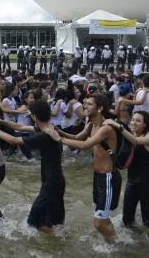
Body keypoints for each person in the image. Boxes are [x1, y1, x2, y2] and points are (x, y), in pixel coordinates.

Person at [50, 93, 121, 241]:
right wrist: (57, 131)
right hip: (98, 176)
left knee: (98, 223)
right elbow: (77, 138)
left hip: (108, 177)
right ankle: (113, 240)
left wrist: (60, 139)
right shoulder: (90, 125)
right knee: (102, 218)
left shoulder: (106, 128)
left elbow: (84, 145)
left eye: (89, 104)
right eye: (85, 103)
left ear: (100, 108)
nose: (85, 106)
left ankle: (117, 247)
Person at [0, 100, 65, 234]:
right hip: (55, 181)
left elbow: (14, 140)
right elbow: (20, 127)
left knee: (33, 221)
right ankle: (60, 244)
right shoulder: (51, 128)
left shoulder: (43, 136)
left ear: (34, 116)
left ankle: (59, 244)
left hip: (51, 184)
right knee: (52, 222)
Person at [114, 111, 149, 228]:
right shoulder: (130, 135)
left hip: (148, 183)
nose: (134, 123)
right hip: (132, 182)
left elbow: (136, 141)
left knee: (148, 221)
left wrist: (120, 127)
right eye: (132, 120)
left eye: (138, 121)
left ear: (145, 124)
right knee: (127, 219)